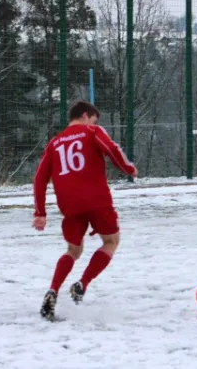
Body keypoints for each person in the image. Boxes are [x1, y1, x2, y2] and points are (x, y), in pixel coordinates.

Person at [33, 101, 138, 322]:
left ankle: (52, 290)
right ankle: (82, 284)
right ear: (85, 115)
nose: (95, 123)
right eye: (94, 119)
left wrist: (40, 212)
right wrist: (128, 168)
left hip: (69, 204)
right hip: (97, 200)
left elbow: (40, 179)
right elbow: (112, 149)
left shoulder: (54, 144)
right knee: (111, 241)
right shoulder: (92, 131)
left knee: (73, 250)